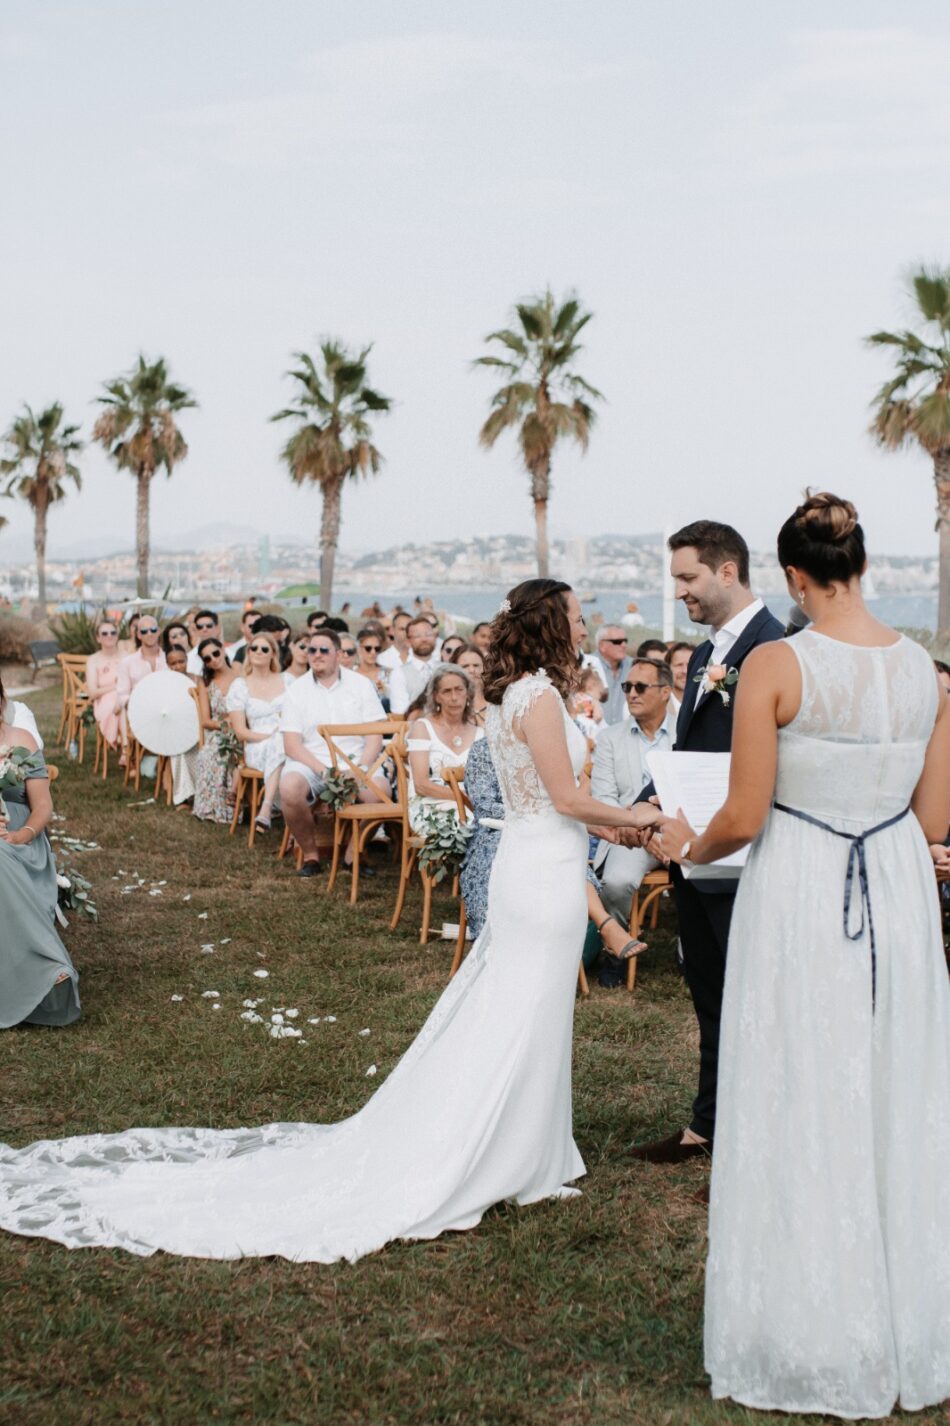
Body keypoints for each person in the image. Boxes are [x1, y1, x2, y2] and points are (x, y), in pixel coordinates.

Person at [0, 579, 658, 1262]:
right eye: (576, 616)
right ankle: (510, 1158)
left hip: (533, 864)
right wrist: (635, 816)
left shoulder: (516, 694)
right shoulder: (540, 698)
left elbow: (545, 799)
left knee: (523, 1011)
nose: (584, 626)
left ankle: (534, 1152)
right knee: (526, 1012)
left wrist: (619, 825)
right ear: (552, 623)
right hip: (542, 871)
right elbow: (565, 800)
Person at [654, 494, 950, 1418]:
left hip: (805, 886)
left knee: (800, 1077)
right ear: (860, 564)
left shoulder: (776, 663)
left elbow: (744, 815)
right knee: (891, 1081)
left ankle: (811, 1319)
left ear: (791, 576)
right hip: (895, 887)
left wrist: (686, 843)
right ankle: (904, 1313)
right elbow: (934, 819)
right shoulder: (923, 671)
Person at [625, 520, 784, 1164]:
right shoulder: (703, 658)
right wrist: (651, 804)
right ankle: (708, 1125)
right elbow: (690, 749)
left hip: (744, 854)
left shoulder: (776, 647)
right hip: (693, 855)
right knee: (710, 993)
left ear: (727, 571)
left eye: (688, 578)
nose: (680, 592)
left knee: (754, 1000)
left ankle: (759, 1138)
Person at [0, 674, 80, 1028]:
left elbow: (43, 805)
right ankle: (43, 967)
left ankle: (46, 969)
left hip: (22, 838)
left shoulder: (21, 739)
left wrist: (24, 834)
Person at [591, 658, 677, 982]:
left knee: (705, 872)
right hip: (629, 836)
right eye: (627, 686)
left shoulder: (687, 732)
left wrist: (664, 830)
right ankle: (614, 949)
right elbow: (603, 798)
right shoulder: (610, 738)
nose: (631, 693)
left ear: (666, 691)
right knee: (616, 881)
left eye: (640, 687)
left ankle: (692, 950)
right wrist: (640, 831)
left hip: (677, 828)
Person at [278, 629, 387, 877]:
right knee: (289, 788)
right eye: (311, 650)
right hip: (312, 763)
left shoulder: (361, 684)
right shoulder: (296, 689)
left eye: (323, 650)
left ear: (338, 654)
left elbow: (375, 735)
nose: (316, 655)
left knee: (381, 792)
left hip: (356, 760)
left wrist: (360, 769)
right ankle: (310, 855)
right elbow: (292, 745)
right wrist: (326, 772)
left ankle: (352, 854)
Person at [226, 631, 294, 831]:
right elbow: (240, 732)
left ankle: (267, 807)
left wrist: (281, 735)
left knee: (283, 741)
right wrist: (269, 736)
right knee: (279, 741)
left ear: (273, 654)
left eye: (264, 649)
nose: (258, 652)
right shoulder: (240, 685)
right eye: (253, 648)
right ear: (248, 652)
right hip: (256, 744)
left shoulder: (287, 680)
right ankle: (267, 808)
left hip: (288, 740)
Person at [407, 668, 483, 831]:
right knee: (467, 827)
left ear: (468, 693)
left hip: (473, 806)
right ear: (436, 696)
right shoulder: (422, 728)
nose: (454, 697)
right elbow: (421, 785)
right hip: (430, 805)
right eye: (446, 691)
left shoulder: (480, 733)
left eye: (459, 689)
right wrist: (462, 798)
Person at [192, 638, 238, 824]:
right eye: (207, 658)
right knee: (210, 755)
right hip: (219, 732)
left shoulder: (241, 677)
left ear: (223, 651)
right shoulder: (206, 683)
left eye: (216, 653)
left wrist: (238, 724)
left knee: (235, 752)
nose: (213, 659)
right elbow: (205, 721)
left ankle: (235, 806)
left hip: (243, 730)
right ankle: (212, 808)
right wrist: (227, 723)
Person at [387, 617, 443, 714]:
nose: (424, 639)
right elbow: (400, 711)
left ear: (435, 637)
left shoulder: (448, 669)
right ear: (408, 642)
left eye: (428, 634)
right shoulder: (399, 674)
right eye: (417, 636)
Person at [84, 618, 124, 750]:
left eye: (113, 633)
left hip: (125, 697)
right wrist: (116, 687)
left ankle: (125, 746)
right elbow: (92, 693)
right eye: (105, 633)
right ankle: (125, 747)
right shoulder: (93, 660)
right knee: (117, 703)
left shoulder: (127, 656)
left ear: (117, 636)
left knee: (123, 702)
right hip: (104, 700)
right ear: (98, 638)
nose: (109, 636)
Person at [116, 617, 166, 714]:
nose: (149, 634)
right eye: (144, 631)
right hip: (138, 712)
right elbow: (122, 695)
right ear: (138, 635)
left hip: (167, 710)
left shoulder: (169, 659)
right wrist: (135, 706)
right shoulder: (127, 662)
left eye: (153, 630)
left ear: (158, 631)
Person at [589, 625, 632, 725]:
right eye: (617, 642)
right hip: (594, 731)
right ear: (602, 645)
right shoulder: (586, 665)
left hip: (625, 731)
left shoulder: (633, 667)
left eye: (625, 641)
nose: (624, 645)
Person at [355, 627, 390, 711]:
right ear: (358, 649)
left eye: (377, 649)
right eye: (368, 648)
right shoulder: (351, 675)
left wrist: (387, 691)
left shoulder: (389, 674)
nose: (373, 652)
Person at [450, 643, 487, 722]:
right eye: (465, 666)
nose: (472, 670)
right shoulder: (448, 701)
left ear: (484, 668)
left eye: (476, 665)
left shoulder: (495, 697)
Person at [186, 611, 222, 675]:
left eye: (209, 626)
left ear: (217, 628)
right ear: (196, 630)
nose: (204, 629)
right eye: (200, 627)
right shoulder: (189, 658)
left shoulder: (231, 655)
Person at [664, 640, 694, 715]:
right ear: (668, 668)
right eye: (679, 665)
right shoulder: (658, 705)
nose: (685, 671)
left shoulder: (708, 705)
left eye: (690, 665)